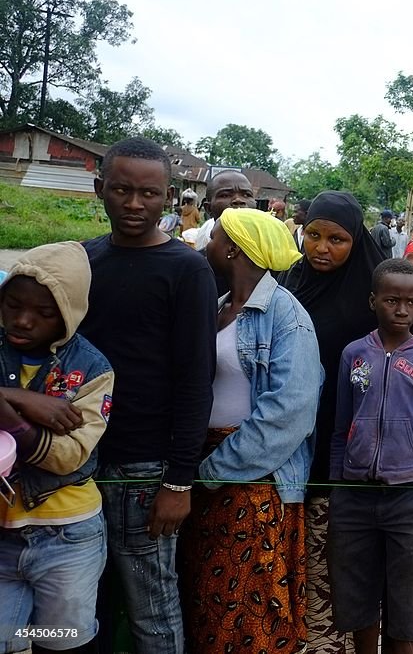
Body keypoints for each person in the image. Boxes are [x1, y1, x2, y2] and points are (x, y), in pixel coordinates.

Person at [80, 137, 218, 654]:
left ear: (170, 197)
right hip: (78, 462)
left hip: (146, 469)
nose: (134, 204)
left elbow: (194, 378)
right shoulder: (84, 260)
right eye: (121, 190)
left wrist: (179, 481)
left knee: (152, 610)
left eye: (148, 193)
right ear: (100, 190)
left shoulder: (187, 270)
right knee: (79, 605)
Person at [181, 208, 319, 653]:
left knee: (248, 612)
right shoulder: (221, 309)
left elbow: (288, 414)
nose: (207, 247)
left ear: (233, 249)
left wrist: (212, 468)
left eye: (214, 239)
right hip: (208, 472)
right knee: (208, 603)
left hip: (253, 484)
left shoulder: (286, 317)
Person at [278, 190, 386, 653]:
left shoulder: (375, 294)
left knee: (337, 557)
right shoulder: (289, 279)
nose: (322, 247)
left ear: (355, 241)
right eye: (314, 235)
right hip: (288, 441)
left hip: (346, 448)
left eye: (337, 239)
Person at [329, 259, 413, 654]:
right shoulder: (354, 355)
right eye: (391, 301)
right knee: (359, 602)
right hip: (355, 498)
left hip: (410, 499)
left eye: (411, 302)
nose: (402, 310)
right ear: (373, 301)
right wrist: (338, 484)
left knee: (410, 608)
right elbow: (340, 426)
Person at [0, 243, 115, 654]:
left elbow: (70, 454)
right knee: (6, 640)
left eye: (45, 314)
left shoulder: (93, 370)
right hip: (3, 534)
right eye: (12, 305)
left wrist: (9, 417)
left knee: (59, 639)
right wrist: (21, 398)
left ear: (68, 316)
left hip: (67, 536)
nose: (23, 320)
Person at [193, 171, 258, 252]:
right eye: (225, 195)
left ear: (256, 205)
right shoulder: (197, 262)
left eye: (246, 195)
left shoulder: (271, 255)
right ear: (208, 208)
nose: (238, 200)